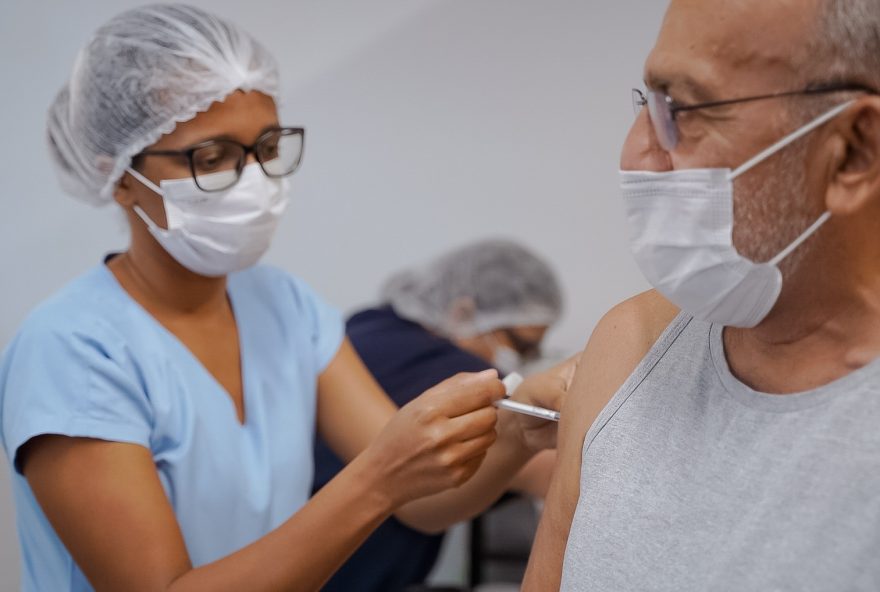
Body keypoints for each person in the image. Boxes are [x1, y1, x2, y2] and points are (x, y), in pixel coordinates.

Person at [0, 5, 567, 591]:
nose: (254, 182)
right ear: (119, 176)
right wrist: (378, 478)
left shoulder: (286, 307)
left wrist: (517, 438)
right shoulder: (72, 351)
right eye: (212, 158)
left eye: (267, 147)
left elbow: (422, 505)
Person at [524, 0, 880, 590]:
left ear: (853, 152)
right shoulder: (630, 345)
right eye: (649, 103)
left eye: (682, 109)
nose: (635, 155)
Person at [313, 239, 563, 592]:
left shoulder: (367, 326)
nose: (526, 358)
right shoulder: (462, 377)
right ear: (463, 313)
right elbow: (548, 470)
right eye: (522, 345)